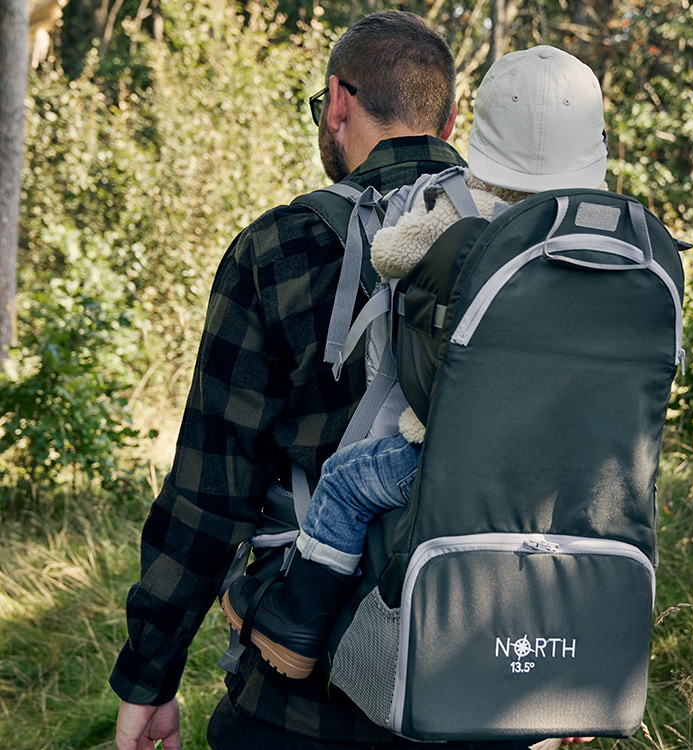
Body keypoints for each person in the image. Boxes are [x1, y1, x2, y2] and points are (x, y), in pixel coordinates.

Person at [108, 9, 586, 749]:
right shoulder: (532, 244)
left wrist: (149, 677)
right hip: (491, 687)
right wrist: (566, 677)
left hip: (301, 710)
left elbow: (209, 495)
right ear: (451, 116)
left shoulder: (277, 249)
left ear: (337, 101)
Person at [220, 42, 607, 743]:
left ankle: (297, 624)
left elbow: (389, 256)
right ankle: (558, 669)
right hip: (556, 472)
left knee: (347, 484)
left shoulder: (460, 222)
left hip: (445, 455)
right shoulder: (601, 253)